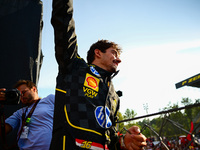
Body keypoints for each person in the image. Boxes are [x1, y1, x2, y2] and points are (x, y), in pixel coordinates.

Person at [50, 0, 147, 149]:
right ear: (98, 53)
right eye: (113, 53)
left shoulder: (114, 95)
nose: (118, 59)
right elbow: (63, 22)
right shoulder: (74, 66)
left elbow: (111, 134)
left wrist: (123, 142)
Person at [0, 80, 54, 150]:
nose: (22, 96)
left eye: (24, 92)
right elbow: (3, 131)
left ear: (34, 89)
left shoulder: (49, 100)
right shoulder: (20, 113)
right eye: (19, 94)